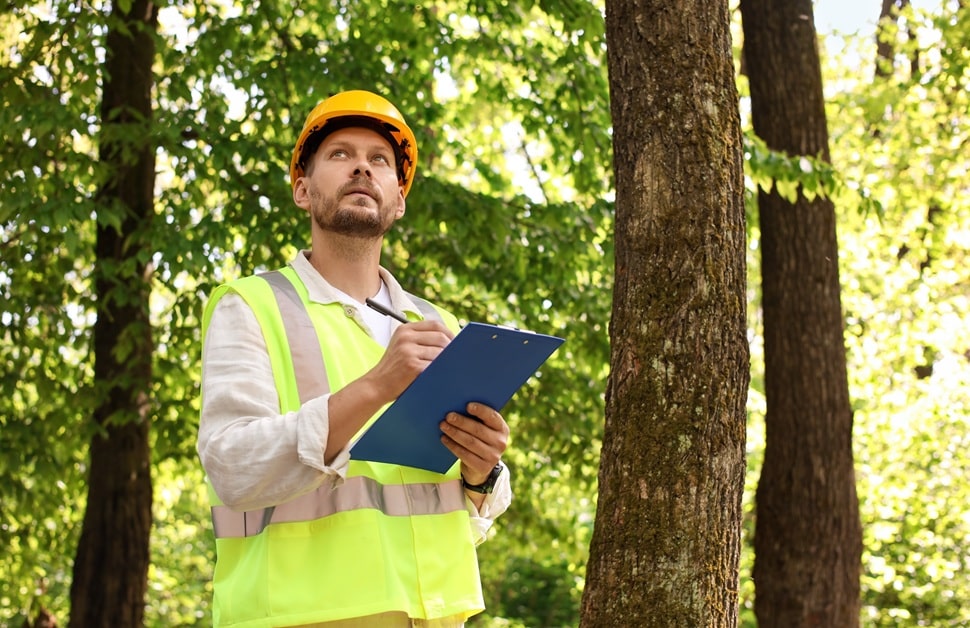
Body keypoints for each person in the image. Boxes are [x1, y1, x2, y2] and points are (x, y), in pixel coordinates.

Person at [197, 89, 512, 627]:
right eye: (340, 154)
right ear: (302, 190)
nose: (362, 168)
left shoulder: (442, 327)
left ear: (398, 199)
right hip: (301, 617)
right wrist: (374, 386)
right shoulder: (252, 305)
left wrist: (484, 471)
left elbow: (472, 508)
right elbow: (232, 467)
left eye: (379, 161)